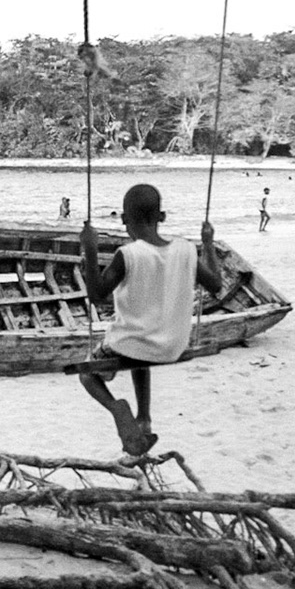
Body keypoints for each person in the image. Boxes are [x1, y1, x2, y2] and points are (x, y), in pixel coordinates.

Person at [77, 184, 221, 457]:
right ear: (162, 217)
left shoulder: (128, 254)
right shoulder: (186, 249)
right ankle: (143, 418)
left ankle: (117, 407)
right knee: (140, 352)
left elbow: (97, 296)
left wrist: (90, 250)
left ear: (122, 219)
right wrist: (209, 244)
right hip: (172, 346)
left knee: (87, 373)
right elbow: (215, 284)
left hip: (132, 343)